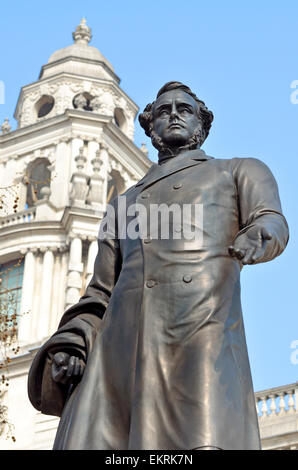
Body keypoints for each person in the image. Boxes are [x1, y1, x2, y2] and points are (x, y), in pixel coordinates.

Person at [28, 81, 289, 450]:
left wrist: (260, 234)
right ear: (150, 128)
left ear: (202, 125)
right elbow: (100, 292)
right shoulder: (121, 204)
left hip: (199, 333)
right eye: (163, 111)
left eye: (184, 109)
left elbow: (271, 219)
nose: (174, 116)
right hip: (120, 352)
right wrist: (73, 342)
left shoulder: (238, 170)